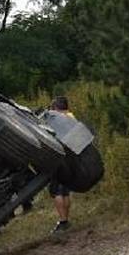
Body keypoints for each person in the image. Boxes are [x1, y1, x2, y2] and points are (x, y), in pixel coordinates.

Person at [49, 96, 74, 234]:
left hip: (59, 159)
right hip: (71, 160)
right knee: (65, 191)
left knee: (56, 191)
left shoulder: (56, 119)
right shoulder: (72, 117)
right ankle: (66, 219)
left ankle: (63, 221)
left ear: (56, 108)